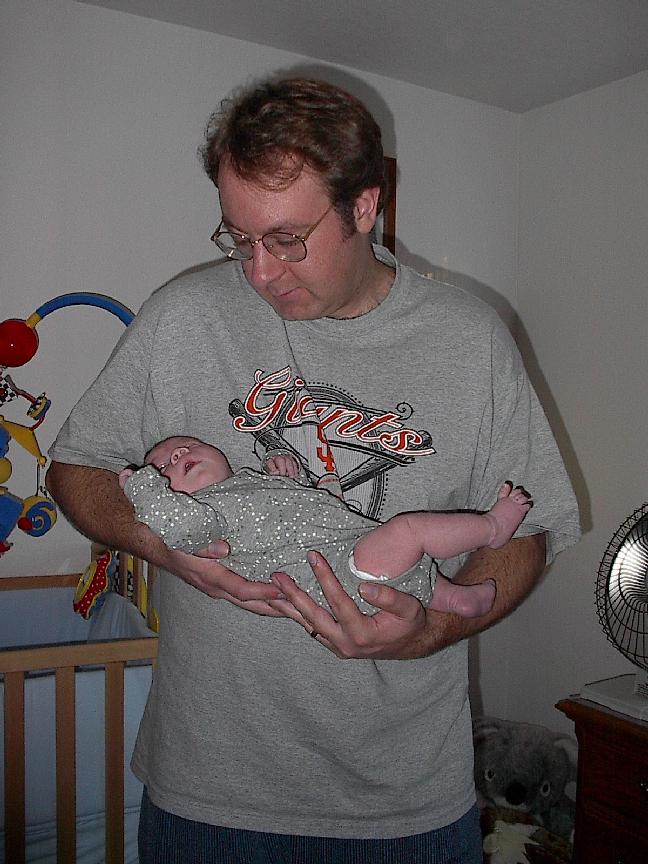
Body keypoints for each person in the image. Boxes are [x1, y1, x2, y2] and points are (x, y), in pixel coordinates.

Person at [46, 74, 581, 863]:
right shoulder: (183, 317)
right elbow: (75, 468)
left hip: (405, 808)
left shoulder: (470, 340)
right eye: (239, 238)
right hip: (208, 797)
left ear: (365, 206)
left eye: (287, 239)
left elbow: (529, 530)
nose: (259, 272)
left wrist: (430, 630)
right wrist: (166, 548)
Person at [120, 435, 534, 619]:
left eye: (187, 447)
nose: (179, 455)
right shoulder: (207, 514)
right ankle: (492, 527)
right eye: (164, 467)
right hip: (340, 575)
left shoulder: (246, 486)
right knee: (409, 531)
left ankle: (455, 599)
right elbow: (177, 526)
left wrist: (293, 478)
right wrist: (139, 486)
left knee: (405, 558)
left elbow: (305, 514)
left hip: (349, 550)